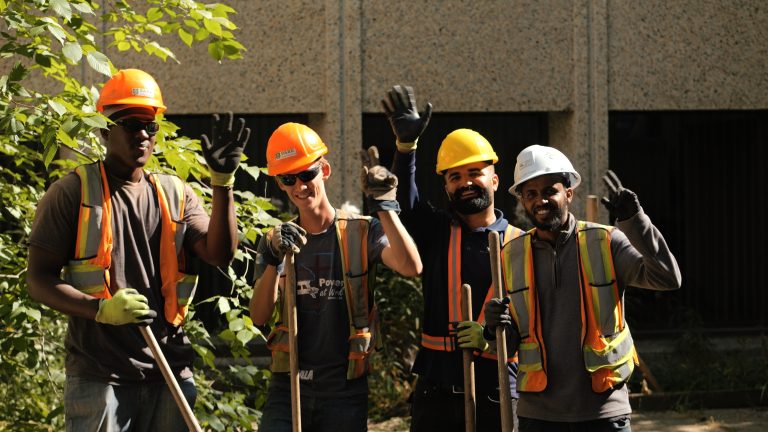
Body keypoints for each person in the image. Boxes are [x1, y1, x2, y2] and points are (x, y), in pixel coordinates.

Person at [25, 69, 249, 431]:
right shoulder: (72, 192)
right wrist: (100, 309)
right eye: (130, 124)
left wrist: (222, 183)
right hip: (100, 376)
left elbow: (219, 254)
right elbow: (38, 280)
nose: (143, 134)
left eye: (151, 125)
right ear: (103, 129)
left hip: (170, 371)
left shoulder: (176, 194)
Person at [483, 145, 682, 431]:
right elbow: (511, 344)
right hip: (538, 415)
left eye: (549, 191)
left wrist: (635, 222)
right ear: (523, 201)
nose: (541, 200)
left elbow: (667, 277)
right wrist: (494, 329)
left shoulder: (606, 241)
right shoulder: (510, 254)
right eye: (531, 194)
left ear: (568, 193)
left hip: (603, 412)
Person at [249, 122, 422, 431]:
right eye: (289, 179)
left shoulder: (360, 231)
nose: (300, 187)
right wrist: (275, 260)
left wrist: (385, 207)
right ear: (280, 183)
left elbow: (412, 267)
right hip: (288, 388)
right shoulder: (275, 241)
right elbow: (260, 315)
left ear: (324, 170)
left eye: (307, 174)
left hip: (344, 391)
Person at [385, 85, 523, 432]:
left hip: (499, 393)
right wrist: (406, 148)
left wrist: (495, 335)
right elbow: (407, 203)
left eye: (474, 173)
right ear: (446, 186)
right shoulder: (437, 232)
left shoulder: (522, 244)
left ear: (494, 177)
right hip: (438, 393)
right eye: (454, 176)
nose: (465, 183)